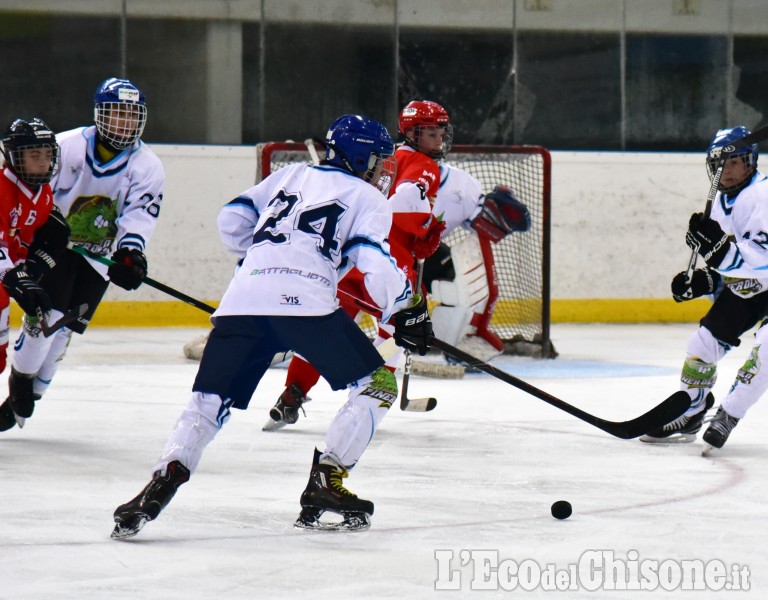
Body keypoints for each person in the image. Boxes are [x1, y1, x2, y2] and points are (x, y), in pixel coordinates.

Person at [111, 114, 432, 538]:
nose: (381, 169)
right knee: (377, 386)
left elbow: (231, 219)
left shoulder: (291, 174)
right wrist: (405, 307)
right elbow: (373, 259)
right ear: (359, 157)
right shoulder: (367, 198)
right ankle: (326, 482)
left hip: (242, 300)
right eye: (377, 160)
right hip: (307, 307)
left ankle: (162, 479)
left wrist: (262, 260)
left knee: (208, 404)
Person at [263, 100, 451, 431]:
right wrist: (425, 230)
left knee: (329, 329)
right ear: (411, 133)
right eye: (430, 133)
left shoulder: (387, 156)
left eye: (439, 132)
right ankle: (366, 394)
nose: (437, 140)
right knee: (397, 335)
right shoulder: (425, 166)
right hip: (386, 264)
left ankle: (292, 394)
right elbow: (404, 203)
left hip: (349, 260)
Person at [3, 77, 165, 430]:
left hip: (98, 256)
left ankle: (31, 394)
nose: (123, 123)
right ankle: (21, 378)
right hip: (55, 248)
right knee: (48, 316)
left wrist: (130, 253)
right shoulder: (68, 146)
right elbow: (37, 188)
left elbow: (138, 214)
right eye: (116, 114)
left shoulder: (148, 166)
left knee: (66, 328)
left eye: (130, 116)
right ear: (99, 114)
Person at [640, 125, 768, 450]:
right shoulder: (726, 204)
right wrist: (700, 282)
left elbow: (762, 260)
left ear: (750, 162)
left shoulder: (762, 196)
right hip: (754, 289)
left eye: (734, 163)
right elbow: (731, 269)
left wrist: (720, 253)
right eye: (720, 164)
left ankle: (728, 414)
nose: (726, 171)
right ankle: (692, 410)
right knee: (702, 343)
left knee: (766, 351)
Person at [0, 117, 70, 431]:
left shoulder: (42, 195)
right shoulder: (2, 187)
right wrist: (15, 276)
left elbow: (33, 239)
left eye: (46, 154)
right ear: (15, 157)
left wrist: (32, 267)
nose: (43, 162)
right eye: (33, 154)